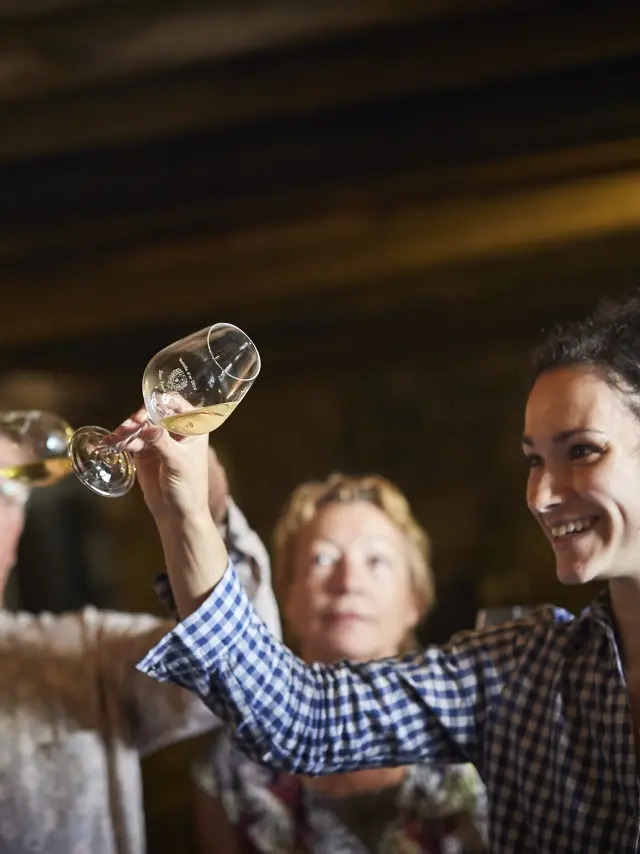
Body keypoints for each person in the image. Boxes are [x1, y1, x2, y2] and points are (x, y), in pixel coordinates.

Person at [128, 287, 640, 854]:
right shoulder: (523, 670)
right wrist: (183, 514)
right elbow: (303, 719)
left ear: (416, 598)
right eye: (534, 460)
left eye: (582, 451)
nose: (541, 495)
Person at [0, 435, 281, 854]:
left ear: (15, 529)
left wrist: (203, 514)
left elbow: (246, 673)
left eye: (1, 494)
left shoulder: (85, 656)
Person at [191, 474, 487, 854]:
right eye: (323, 558)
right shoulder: (230, 771)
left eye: (377, 560)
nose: (349, 582)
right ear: (290, 598)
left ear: (415, 599)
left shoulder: (477, 744)